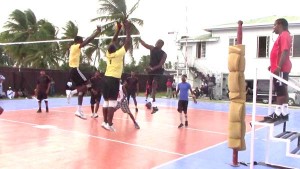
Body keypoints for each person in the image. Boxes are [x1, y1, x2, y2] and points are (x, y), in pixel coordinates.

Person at [101, 20, 131, 132]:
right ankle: (109, 124)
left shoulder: (108, 53)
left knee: (106, 102)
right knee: (112, 103)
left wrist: (118, 30)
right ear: (115, 49)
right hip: (113, 79)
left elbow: (113, 42)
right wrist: (127, 29)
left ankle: (104, 122)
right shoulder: (118, 54)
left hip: (105, 79)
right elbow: (127, 42)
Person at [66, 26, 101, 119]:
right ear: (79, 41)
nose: (82, 42)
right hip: (74, 69)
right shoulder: (77, 46)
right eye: (81, 41)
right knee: (89, 84)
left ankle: (78, 110)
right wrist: (96, 32)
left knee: (81, 91)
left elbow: (69, 47)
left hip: (71, 71)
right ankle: (72, 92)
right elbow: (88, 40)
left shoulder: (72, 47)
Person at [264, 18, 292, 122]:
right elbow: (279, 53)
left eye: (274, 25)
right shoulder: (283, 35)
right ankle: (284, 112)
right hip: (279, 68)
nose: (273, 27)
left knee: (280, 91)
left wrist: (278, 67)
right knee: (283, 90)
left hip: (281, 68)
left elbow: (284, 51)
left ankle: (277, 113)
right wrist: (272, 65)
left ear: (279, 24)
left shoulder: (284, 35)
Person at [139, 38, 167, 114]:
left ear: (161, 45)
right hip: (150, 71)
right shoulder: (152, 48)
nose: (156, 43)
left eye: (158, 42)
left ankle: (150, 102)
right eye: (156, 42)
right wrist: (140, 40)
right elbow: (145, 44)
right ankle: (154, 107)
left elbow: (160, 64)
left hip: (158, 71)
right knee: (152, 89)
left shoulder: (164, 54)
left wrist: (152, 68)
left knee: (154, 83)